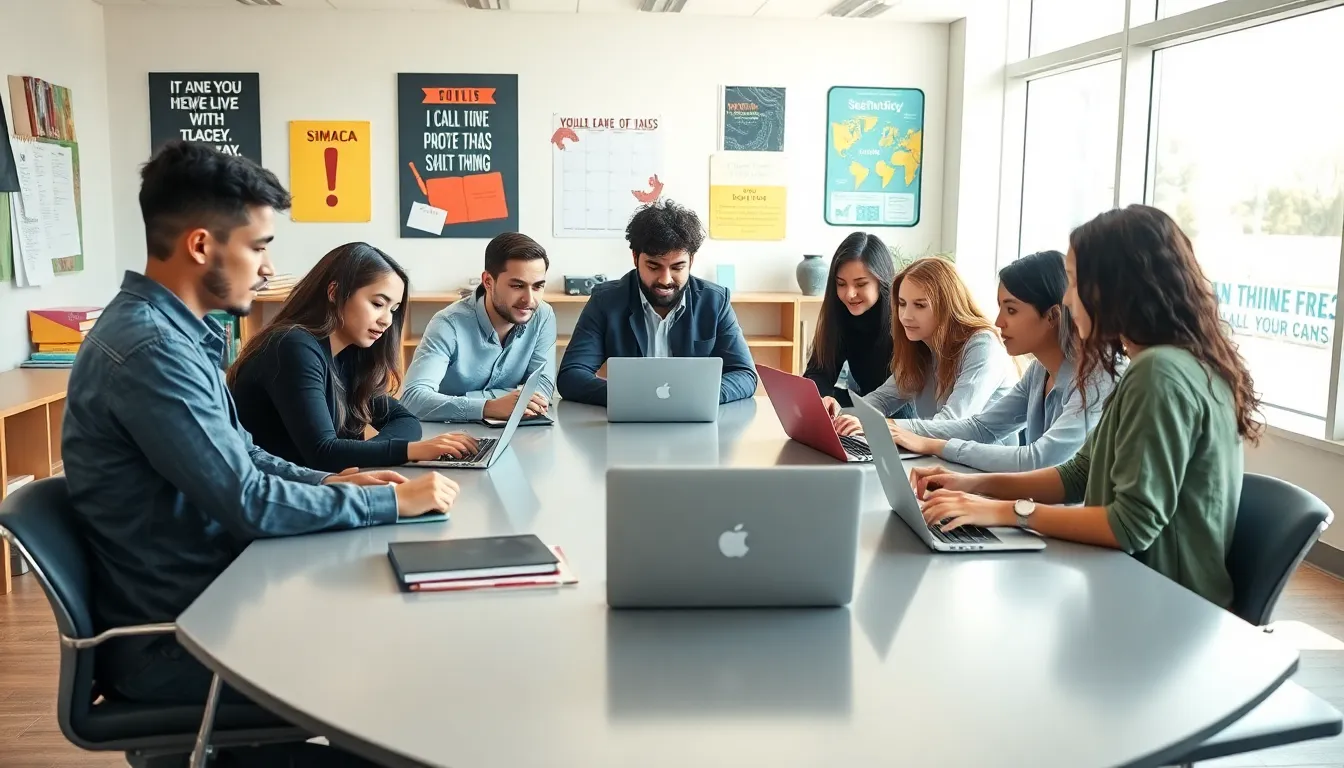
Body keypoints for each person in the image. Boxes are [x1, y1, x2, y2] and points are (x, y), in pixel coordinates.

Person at [62, 141, 458, 748]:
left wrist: (330, 483)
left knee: (414, 627)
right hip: (185, 638)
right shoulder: (152, 352)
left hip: (223, 600)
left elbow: (244, 452)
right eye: (259, 247)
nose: (269, 269)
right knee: (421, 664)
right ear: (201, 245)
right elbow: (247, 501)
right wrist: (388, 503)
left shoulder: (178, 336)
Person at [913, 205, 1259, 609]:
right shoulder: (1163, 363)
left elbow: (1129, 526)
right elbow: (1078, 474)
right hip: (1130, 587)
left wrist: (1006, 512)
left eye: (1075, 283)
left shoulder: (1159, 373)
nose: (1067, 298)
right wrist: (972, 486)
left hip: (1162, 606)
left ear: (1114, 288)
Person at [227, 242, 479, 472]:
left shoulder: (349, 355)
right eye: (378, 303)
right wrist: (408, 451)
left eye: (394, 309)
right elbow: (323, 452)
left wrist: (364, 455)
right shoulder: (292, 346)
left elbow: (404, 419)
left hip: (322, 490)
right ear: (335, 292)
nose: (387, 320)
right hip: (281, 502)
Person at [880, 250, 1117, 471]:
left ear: (1052, 316)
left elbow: (1040, 459)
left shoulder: (1095, 377)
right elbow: (980, 427)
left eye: (1011, 310)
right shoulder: (1038, 371)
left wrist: (933, 445)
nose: (998, 321)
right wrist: (897, 429)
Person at [557, 199, 758, 405]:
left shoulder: (715, 301)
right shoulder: (606, 300)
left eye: (678, 267)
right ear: (635, 258)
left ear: (691, 261)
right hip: (630, 422)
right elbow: (571, 375)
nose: (665, 279)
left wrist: (700, 397)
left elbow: (744, 374)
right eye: (654, 266)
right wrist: (630, 397)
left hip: (693, 420)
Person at [833, 256, 1016, 437]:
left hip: (985, 463)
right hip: (942, 457)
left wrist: (875, 424)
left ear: (948, 306)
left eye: (920, 305)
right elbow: (882, 399)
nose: (905, 316)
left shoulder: (983, 345)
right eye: (902, 304)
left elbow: (951, 422)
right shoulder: (921, 346)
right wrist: (840, 418)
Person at [400, 232, 556, 422]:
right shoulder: (448, 324)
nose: (530, 300)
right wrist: (489, 407)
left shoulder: (543, 315)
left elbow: (543, 388)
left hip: (515, 432)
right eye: (517, 286)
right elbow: (413, 400)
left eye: (538, 286)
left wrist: (473, 400)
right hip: (449, 435)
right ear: (488, 281)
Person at [805, 232, 898, 412]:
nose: (849, 294)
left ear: (881, 282)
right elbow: (820, 371)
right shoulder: (840, 314)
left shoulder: (902, 320)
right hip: (863, 414)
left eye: (861, 284)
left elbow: (903, 397)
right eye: (841, 284)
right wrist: (824, 398)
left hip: (903, 422)